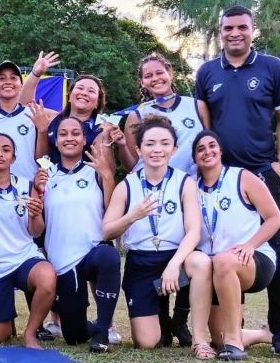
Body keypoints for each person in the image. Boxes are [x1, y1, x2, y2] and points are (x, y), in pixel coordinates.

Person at [194, 5, 280, 352]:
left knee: (276, 246)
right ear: (220, 32)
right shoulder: (206, 72)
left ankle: (278, 332)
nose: (234, 33)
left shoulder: (272, 66)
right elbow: (206, 121)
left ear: (252, 29)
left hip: (262, 170)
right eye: (228, 28)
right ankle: (232, 330)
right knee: (222, 245)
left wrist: (277, 160)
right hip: (225, 177)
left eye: (241, 27)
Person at [101, 117, 211, 352]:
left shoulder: (185, 182)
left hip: (176, 258)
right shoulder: (127, 185)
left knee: (200, 262)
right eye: (150, 144)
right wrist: (132, 216)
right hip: (141, 262)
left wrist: (174, 264)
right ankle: (161, 316)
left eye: (164, 143)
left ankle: (199, 339)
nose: (157, 149)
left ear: (174, 149)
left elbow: (194, 231)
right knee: (147, 342)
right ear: (139, 149)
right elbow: (106, 230)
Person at [122, 52, 203, 347]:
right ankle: (161, 318)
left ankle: (182, 319)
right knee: (150, 341)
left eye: (160, 72)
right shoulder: (137, 114)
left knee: (196, 252)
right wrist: (120, 147)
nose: (155, 78)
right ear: (142, 81)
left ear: (170, 72)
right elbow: (132, 159)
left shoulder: (197, 105)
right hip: (154, 195)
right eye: (148, 75)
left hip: (190, 190)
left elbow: (208, 142)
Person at [191, 130, 280, 360]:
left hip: (253, 258)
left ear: (221, 150)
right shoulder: (191, 187)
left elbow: (275, 217)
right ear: (194, 158)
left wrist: (251, 244)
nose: (207, 151)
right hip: (214, 268)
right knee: (218, 338)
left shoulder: (242, 177)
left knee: (224, 259)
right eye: (200, 149)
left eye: (212, 146)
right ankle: (259, 334)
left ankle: (235, 344)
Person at [34, 117, 120, 353]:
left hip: (92, 253)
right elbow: (37, 224)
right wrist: (36, 190)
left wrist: (108, 177)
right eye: (63, 134)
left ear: (84, 139)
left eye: (75, 133)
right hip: (63, 263)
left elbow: (112, 213)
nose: (69, 138)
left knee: (109, 256)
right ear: (56, 140)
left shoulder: (95, 171)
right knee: (73, 336)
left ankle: (103, 331)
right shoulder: (46, 174)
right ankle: (92, 327)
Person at [0, 133, 56, 347]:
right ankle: (6, 317)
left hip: (24, 258)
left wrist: (35, 214)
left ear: (14, 157)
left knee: (47, 277)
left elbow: (35, 232)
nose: (0, 154)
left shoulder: (27, 184)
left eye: (6, 149)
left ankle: (31, 332)